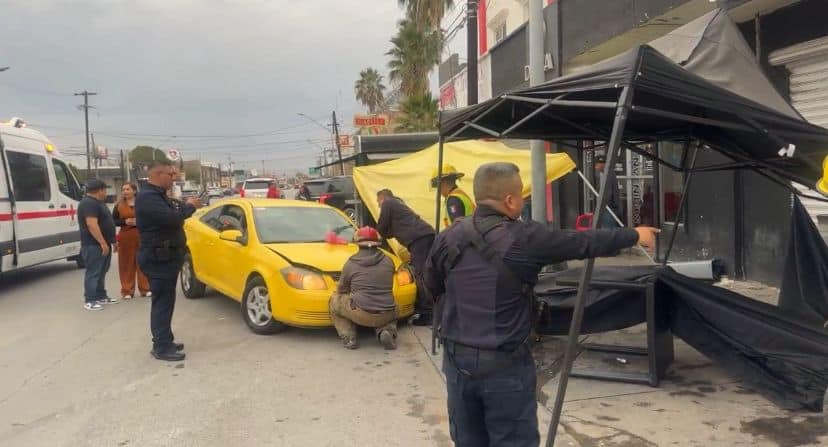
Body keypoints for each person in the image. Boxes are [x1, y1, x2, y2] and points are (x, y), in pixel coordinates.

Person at [425, 162, 659, 446]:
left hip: (456, 361)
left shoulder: (448, 237)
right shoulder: (525, 237)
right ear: (510, 200)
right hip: (504, 363)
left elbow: (433, 286)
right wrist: (634, 235)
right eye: (521, 195)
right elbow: (583, 242)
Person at [136, 160, 200, 362]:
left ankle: (165, 339)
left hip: (167, 256)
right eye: (171, 175)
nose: (174, 179)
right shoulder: (148, 197)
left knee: (167, 301)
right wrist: (189, 207)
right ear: (158, 174)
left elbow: (173, 215)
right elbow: (171, 219)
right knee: (162, 303)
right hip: (158, 257)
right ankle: (161, 347)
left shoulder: (158, 196)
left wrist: (184, 207)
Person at [328, 226, 398, 350]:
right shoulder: (389, 261)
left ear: (357, 243)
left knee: (334, 300)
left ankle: (349, 338)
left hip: (362, 314)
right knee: (394, 303)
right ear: (378, 242)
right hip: (387, 313)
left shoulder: (351, 263)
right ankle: (386, 331)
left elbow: (342, 289)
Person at [376, 188, 436, 326]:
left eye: (378, 202)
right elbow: (390, 230)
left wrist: (374, 236)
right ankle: (430, 309)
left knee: (420, 274)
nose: (378, 206)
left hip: (419, 240)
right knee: (425, 273)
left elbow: (382, 227)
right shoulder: (398, 204)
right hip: (424, 236)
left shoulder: (388, 203)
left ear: (382, 198)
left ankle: (428, 313)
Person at [77, 179, 118, 311]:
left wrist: (112, 241)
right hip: (93, 244)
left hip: (104, 243)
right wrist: (102, 242)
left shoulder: (99, 203)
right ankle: (90, 299)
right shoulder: (88, 203)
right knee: (93, 272)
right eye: (105, 189)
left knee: (102, 271)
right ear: (100, 190)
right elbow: (91, 225)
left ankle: (101, 295)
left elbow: (107, 223)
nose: (106, 192)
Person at [112, 183, 151, 300]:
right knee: (126, 264)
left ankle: (146, 288)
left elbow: (150, 217)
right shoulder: (118, 205)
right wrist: (125, 222)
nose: (125, 191)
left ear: (134, 191)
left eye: (128, 189)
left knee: (143, 262)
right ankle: (127, 290)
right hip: (126, 236)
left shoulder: (143, 203)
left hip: (142, 235)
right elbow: (113, 220)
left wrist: (139, 221)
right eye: (123, 189)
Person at [431, 164, 475, 228]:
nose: (438, 189)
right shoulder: (460, 195)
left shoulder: (453, 200)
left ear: (443, 182)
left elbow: (457, 230)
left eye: (437, 185)